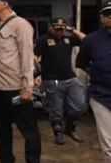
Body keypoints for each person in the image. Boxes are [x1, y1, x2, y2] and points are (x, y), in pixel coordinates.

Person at [0, 0, 43, 163]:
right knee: (1, 130)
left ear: (5, 3)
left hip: (16, 88)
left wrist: (26, 87)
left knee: (29, 132)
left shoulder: (21, 25)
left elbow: (27, 57)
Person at [75, 2, 111, 163]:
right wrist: (97, 73)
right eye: (107, 14)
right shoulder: (91, 40)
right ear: (102, 17)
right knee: (108, 144)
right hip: (101, 96)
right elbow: (81, 62)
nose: (110, 17)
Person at [35, 17, 87, 145]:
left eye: (62, 29)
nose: (60, 32)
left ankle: (69, 128)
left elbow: (86, 39)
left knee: (79, 106)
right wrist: (37, 73)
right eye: (57, 29)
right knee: (56, 110)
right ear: (50, 28)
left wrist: (71, 29)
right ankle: (58, 132)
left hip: (70, 77)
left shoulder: (67, 39)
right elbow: (35, 57)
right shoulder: (43, 40)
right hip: (52, 80)